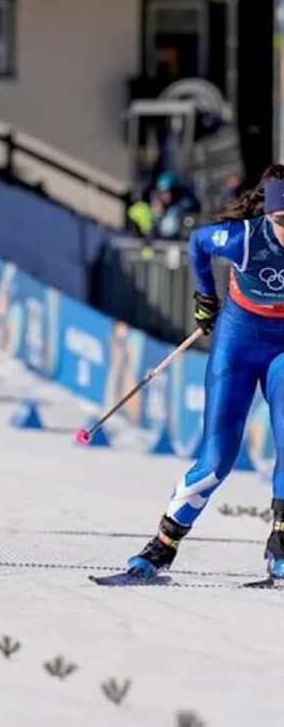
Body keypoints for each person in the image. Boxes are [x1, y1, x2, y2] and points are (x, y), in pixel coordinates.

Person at [127, 164, 284, 579]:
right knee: (217, 458)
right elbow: (197, 243)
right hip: (239, 340)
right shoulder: (245, 239)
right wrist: (205, 298)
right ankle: (162, 546)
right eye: (283, 220)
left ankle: (281, 548)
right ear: (268, 215)